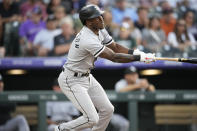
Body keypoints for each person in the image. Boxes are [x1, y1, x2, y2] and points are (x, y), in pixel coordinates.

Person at [55, 4, 155, 131]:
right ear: (89, 22)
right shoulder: (87, 39)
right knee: (91, 119)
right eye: (97, 17)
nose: (101, 19)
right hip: (71, 79)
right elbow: (114, 57)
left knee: (108, 110)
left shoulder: (99, 29)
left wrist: (136, 53)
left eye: (100, 16)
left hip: (86, 76)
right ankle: (61, 129)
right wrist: (139, 59)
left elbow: (115, 47)